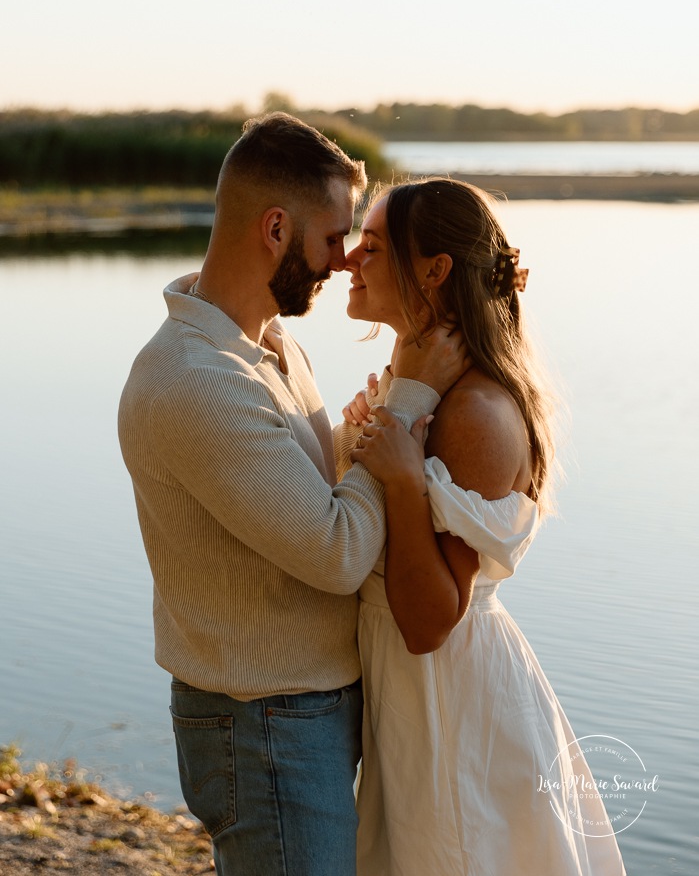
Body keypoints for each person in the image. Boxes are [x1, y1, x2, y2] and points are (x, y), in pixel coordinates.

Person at [117, 114, 465, 876]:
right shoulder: (196, 381)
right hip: (264, 724)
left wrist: (359, 441)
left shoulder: (268, 344)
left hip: (295, 712)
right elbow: (338, 551)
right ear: (274, 228)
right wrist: (403, 408)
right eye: (334, 236)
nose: (343, 262)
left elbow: (302, 495)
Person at [337, 177, 627, 875]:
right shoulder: (426, 387)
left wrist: (405, 480)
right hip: (411, 697)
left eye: (372, 246)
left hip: (447, 707)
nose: (349, 259)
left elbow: (430, 620)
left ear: (433, 271)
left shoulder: (472, 414)